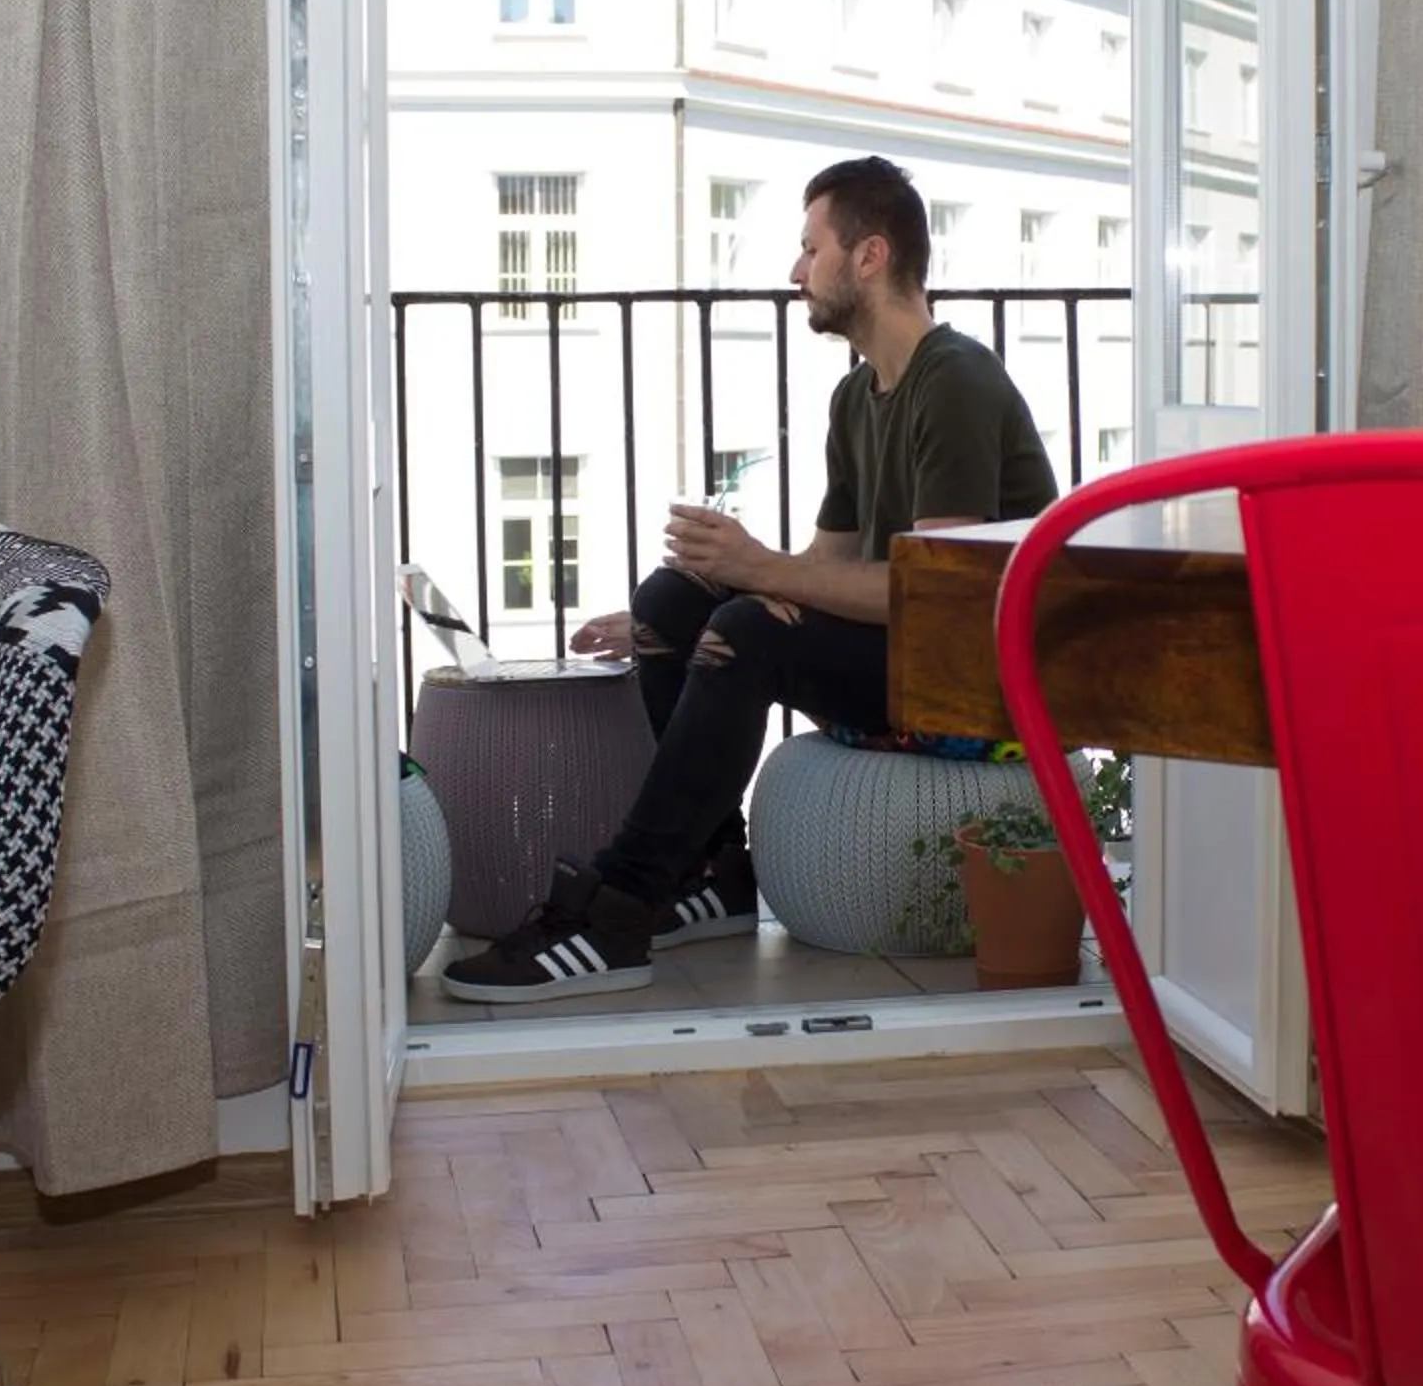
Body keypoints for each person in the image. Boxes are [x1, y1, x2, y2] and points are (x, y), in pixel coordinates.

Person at [442, 155, 1059, 1001]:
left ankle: (618, 906)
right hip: (906, 654)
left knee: (745, 630)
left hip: (974, 688)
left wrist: (751, 576)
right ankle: (719, 870)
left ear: (870, 257)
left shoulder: (953, 381)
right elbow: (824, 573)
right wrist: (716, 588)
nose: (797, 271)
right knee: (672, 602)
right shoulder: (857, 398)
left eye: (812, 249)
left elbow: (938, 598)